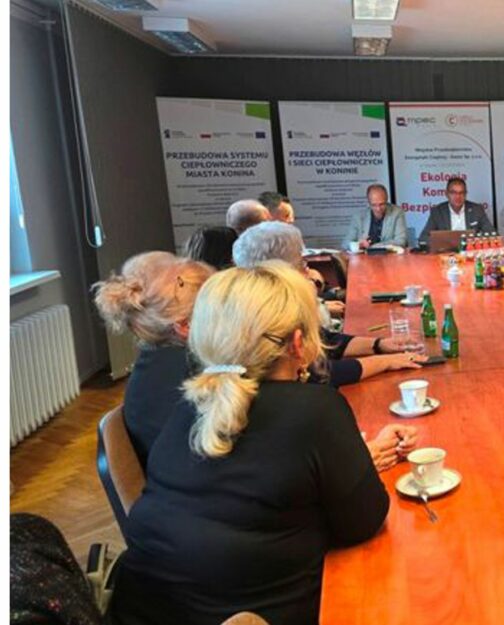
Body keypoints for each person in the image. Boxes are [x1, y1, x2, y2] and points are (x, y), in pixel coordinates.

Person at [106, 262, 393, 624]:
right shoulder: (316, 410)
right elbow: (363, 523)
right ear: (298, 343)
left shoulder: (187, 406)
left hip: (143, 611)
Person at [232, 222, 426, 386]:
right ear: (281, 270)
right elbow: (318, 373)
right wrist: (385, 362)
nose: (307, 271)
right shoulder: (267, 314)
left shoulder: (261, 299)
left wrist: (379, 344)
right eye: (302, 263)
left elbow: (326, 339)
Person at [93, 251, 214, 469]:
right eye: (219, 308)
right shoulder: (193, 378)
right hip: (193, 479)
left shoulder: (154, 360)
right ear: (185, 325)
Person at [418, 177, 494, 247]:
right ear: (446, 194)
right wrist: (443, 243)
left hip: (470, 251)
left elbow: (492, 234)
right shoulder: (438, 212)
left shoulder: (477, 210)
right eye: (453, 193)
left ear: (465, 194)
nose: (458, 196)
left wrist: (475, 242)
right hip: (446, 252)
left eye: (461, 193)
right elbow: (423, 238)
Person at [341, 184, 408, 250]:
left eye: (381, 204)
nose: (378, 209)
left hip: (389, 256)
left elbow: (401, 241)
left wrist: (374, 246)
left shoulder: (397, 213)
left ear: (387, 199)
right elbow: (345, 244)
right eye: (374, 205)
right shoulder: (358, 217)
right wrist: (358, 244)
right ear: (368, 202)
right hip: (364, 256)